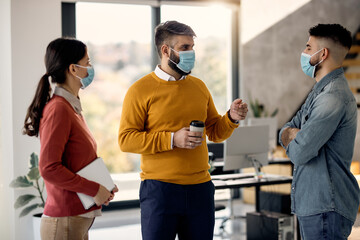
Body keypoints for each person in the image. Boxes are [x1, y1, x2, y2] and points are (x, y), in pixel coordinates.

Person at [118, 20, 248, 240]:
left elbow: (215, 131)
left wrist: (231, 118)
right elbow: (126, 140)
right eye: (185, 48)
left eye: (192, 47)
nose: (191, 53)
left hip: (200, 190)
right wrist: (172, 139)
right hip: (159, 191)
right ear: (166, 50)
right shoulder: (139, 90)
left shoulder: (199, 86)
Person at [23, 38, 118, 240]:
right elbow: (49, 168)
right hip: (64, 220)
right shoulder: (59, 109)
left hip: (75, 220)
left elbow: (77, 160)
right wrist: (94, 189)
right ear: (73, 69)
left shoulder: (71, 108)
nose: (90, 68)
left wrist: (104, 186)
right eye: (87, 61)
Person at [279, 23, 359, 240]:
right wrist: (295, 134)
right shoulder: (318, 91)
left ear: (322, 54)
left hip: (326, 206)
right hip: (314, 204)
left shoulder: (332, 97)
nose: (303, 53)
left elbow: (299, 153)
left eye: (307, 47)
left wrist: (296, 135)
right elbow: (284, 131)